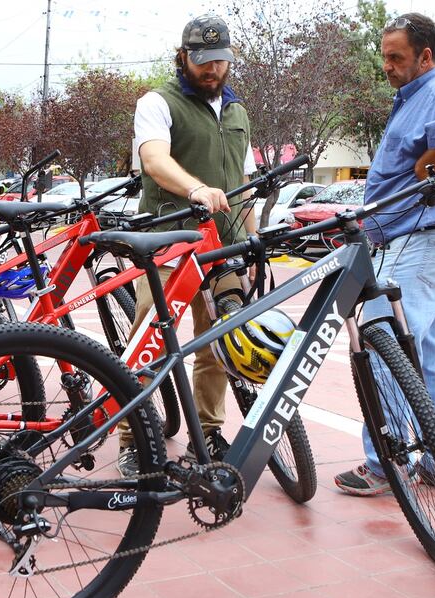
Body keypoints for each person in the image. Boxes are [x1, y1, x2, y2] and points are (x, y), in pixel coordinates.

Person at [334, 13, 435, 496]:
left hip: (422, 239)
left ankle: (384, 461)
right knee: (432, 354)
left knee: (383, 344)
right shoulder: (413, 100)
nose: (387, 66)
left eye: (396, 57)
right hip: (422, 241)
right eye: (385, 56)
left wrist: (426, 172)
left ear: (426, 56)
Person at [116, 14, 258, 476]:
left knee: (219, 343)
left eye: (220, 60)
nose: (212, 69)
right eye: (202, 61)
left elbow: (243, 180)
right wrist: (194, 188)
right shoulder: (157, 102)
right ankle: (131, 436)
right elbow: (154, 160)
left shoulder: (237, 110)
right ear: (183, 58)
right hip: (168, 242)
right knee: (149, 341)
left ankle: (209, 430)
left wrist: (252, 240)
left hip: (224, 246)